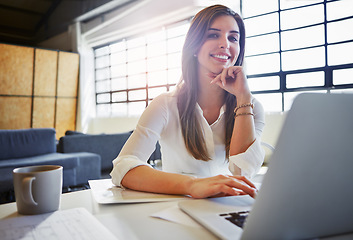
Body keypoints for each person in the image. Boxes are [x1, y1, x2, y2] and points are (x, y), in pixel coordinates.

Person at [110, 4, 265, 199]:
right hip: (177, 207)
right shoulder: (165, 104)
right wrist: (192, 185)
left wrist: (243, 99)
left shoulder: (251, 106)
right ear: (194, 47)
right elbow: (123, 167)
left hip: (228, 207)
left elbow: (243, 172)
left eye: (233, 38)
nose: (225, 44)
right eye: (213, 35)